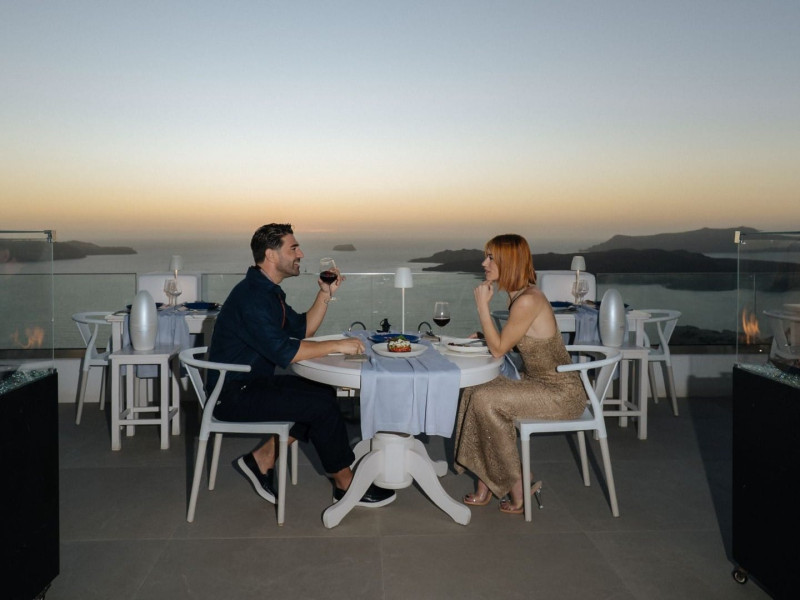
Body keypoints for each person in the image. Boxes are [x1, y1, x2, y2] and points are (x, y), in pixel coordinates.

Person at [207, 223, 395, 508]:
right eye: (293, 248)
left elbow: (304, 330)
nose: (301, 254)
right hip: (232, 394)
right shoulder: (253, 298)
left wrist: (325, 293)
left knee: (323, 391)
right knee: (319, 407)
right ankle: (345, 484)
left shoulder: (267, 292)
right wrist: (337, 345)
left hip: (252, 383)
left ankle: (263, 457)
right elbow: (286, 351)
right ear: (271, 255)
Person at [452, 234, 586, 514]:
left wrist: (482, 307)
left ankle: (519, 484)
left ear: (509, 262)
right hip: (536, 382)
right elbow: (515, 343)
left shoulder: (527, 300)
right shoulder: (519, 296)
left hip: (561, 393)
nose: (484, 263)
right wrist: (485, 336)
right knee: (475, 388)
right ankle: (486, 482)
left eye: (491, 258)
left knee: (486, 400)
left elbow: (499, 349)